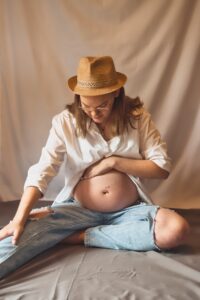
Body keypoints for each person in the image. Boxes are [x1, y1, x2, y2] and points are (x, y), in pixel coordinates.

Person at [0, 56, 189, 279]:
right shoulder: (65, 122)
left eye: (102, 106)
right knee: (16, 237)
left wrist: (114, 162)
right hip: (77, 210)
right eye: (86, 106)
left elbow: (161, 167)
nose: (94, 113)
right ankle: (66, 229)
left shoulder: (137, 119)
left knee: (177, 230)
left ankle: (79, 236)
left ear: (116, 93)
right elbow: (43, 169)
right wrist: (19, 219)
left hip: (128, 211)